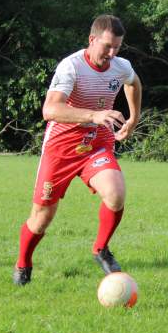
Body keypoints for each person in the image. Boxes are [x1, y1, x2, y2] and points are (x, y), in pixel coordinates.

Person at [12, 14, 142, 286]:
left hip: (96, 144)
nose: (112, 53)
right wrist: (94, 115)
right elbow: (50, 110)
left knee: (116, 194)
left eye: (117, 47)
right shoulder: (70, 66)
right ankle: (23, 263)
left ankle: (101, 249)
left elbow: (134, 83)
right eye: (107, 46)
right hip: (61, 149)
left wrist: (133, 118)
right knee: (41, 219)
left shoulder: (120, 66)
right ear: (92, 39)